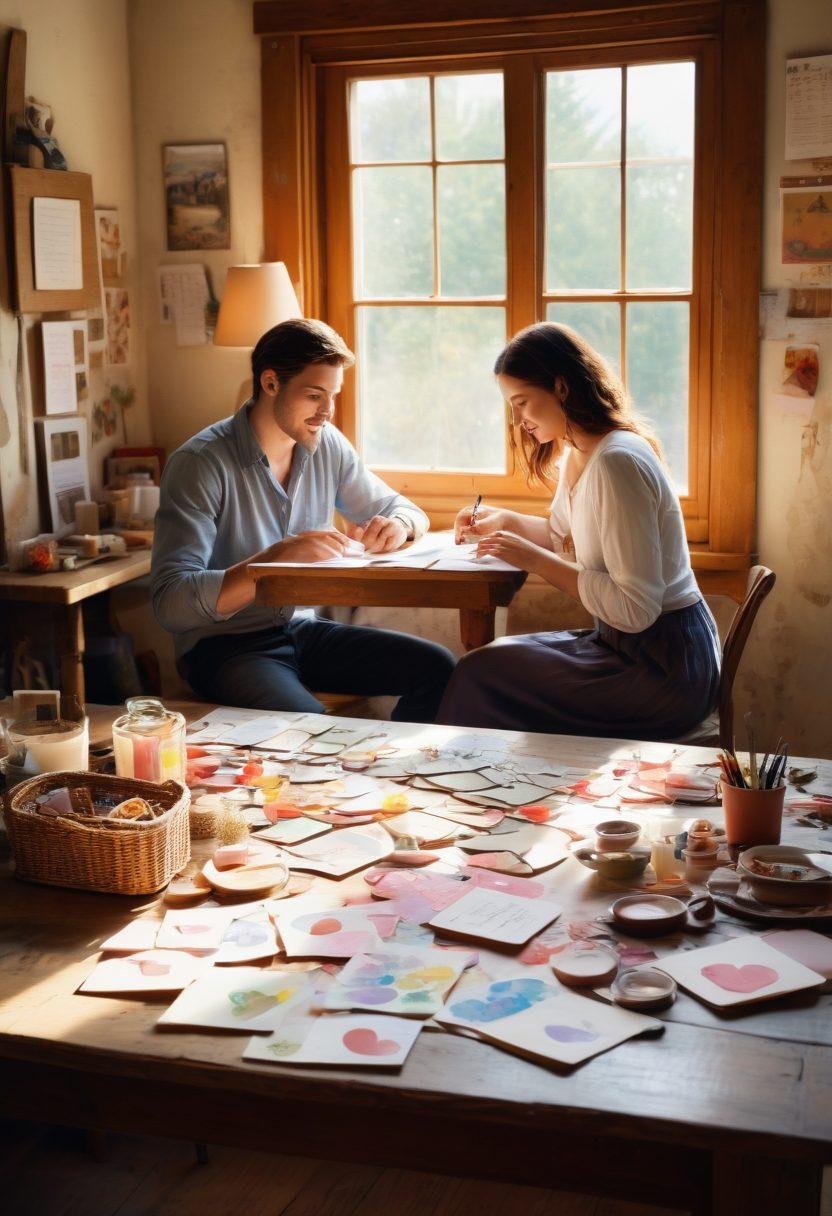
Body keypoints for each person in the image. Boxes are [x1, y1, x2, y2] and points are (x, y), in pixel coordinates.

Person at [152, 318, 455, 721]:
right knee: (311, 726)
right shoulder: (200, 464)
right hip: (226, 645)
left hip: (303, 629)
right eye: (314, 395)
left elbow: (403, 508)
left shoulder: (326, 444)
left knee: (440, 669)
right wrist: (275, 559)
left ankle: (387, 780)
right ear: (271, 383)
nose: (327, 411)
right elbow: (171, 603)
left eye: (333, 395)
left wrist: (399, 525)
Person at [437, 322, 720, 739]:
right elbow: (563, 536)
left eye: (523, 402)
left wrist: (533, 560)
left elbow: (636, 609)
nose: (518, 420)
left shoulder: (617, 463)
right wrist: (505, 522)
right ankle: (496, 790)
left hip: (664, 668)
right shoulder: (582, 452)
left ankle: (473, 790)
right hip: (627, 647)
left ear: (562, 387)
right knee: (484, 666)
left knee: (482, 676)